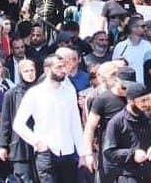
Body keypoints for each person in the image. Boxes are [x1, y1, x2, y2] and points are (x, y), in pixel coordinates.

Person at [13, 53, 94, 183]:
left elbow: (75, 124)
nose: (63, 70)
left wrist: (82, 153)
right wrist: (36, 142)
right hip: (46, 154)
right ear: (47, 70)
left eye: (63, 67)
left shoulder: (69, 91)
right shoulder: (35, 93)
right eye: (58, 67)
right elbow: (18, 124)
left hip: (68, 152)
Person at [101, 81, 151, 183]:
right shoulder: (116, 122)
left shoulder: (147, 117)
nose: (146, 104)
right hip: (128, 175)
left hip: (147, 173)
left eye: (148, 100)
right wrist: (132, 155)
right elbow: (109, 151)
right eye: (142, 101)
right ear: (130, 101)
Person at [0, 57, 38, 183]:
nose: (30, 73)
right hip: (19, 146)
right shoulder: (11, 94)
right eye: (26, 71)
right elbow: (5, 121)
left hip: (39, 144)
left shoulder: (41, 91)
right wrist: (2, 146)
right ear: (20, 73)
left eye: (32, 70)